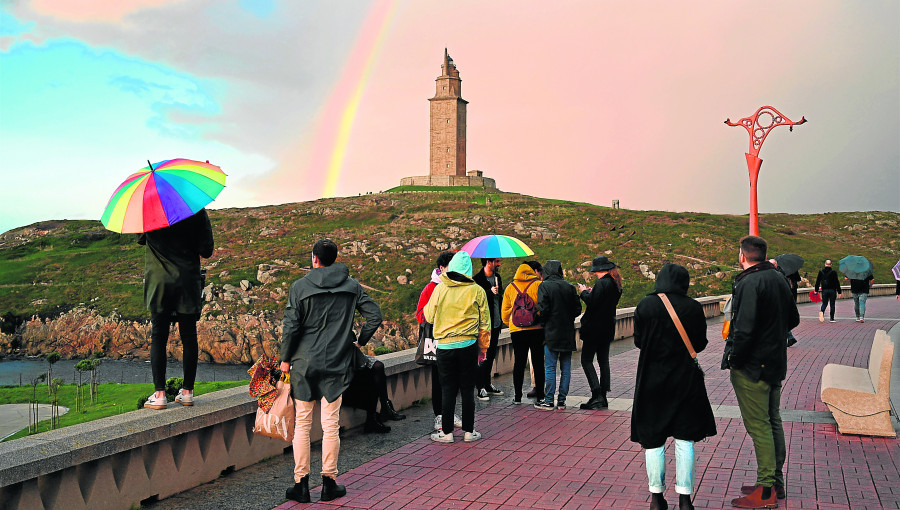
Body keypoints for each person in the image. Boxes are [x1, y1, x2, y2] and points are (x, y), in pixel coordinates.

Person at [279, 239, 383, 503]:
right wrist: (360, 341)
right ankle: (329, 482)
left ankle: (301, 485)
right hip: (337, 362)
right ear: (334, 259)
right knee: (330, 423)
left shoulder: (299, 287)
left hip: (304, 363)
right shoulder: (351, 286)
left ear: (314, 258)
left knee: (302, 423)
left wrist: (284, 359)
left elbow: (291, 327)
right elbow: (375, 315)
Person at [632, 263, 716, 510]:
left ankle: (656, 498)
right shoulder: (693, 307)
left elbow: (639, 341)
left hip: (651, 379)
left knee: (654, 440)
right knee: (684, 439)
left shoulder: (645, 305)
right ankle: (685, 498)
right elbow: (699, 344)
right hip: (685, 380)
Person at [722, 236, 799, 508]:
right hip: (776, 362)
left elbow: (744, 329)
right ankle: (776, 483)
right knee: (772, 420)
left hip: (753, 366)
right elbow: (794, 319)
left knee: (759, 426)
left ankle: (766, 491)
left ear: (742, 255)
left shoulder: (748, 282)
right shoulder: (778, 277)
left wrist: (735, 360)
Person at [140, 209, 213, 410]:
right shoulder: (196, 210)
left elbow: (141, 238)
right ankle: (187, 392)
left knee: (159, 336)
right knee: (189, 335)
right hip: (187, 279)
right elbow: (206, 250)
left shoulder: (150, 209)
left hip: (160, 281)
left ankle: (160, 394)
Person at [424, 250, 491, 443]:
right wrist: (483, 349)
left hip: (444, 346)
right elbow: (485, 324)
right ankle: (469, 432)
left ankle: (446, 433)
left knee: (448, 389)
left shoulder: (440, 289)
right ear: (469, 269)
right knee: (468, 389)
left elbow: (428, 316)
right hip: (468, 345)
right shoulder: (477, 290)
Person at [415, 251, 462, 432]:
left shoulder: (458, 286)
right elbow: (420, 315)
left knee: (452, 378)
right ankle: (439, 415)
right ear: (442, 268)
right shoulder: (431, 288)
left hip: (453, 339)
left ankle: (449, 413)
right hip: (437, 340)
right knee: (438, 378)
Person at [576, 256, 622, 410]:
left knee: (586, 360)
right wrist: (592, 292)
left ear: (600, 270)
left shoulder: (602, 283)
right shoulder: (614, 283)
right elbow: (602, 300)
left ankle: (596, 395)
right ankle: (603, 395)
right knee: (603, 361)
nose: (594, 273)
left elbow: (592, 303)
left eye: (595, 271)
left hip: (594, 329)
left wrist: (583, 292)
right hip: (607, 328)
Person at [534, 260, 581, 410]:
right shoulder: (569, 287)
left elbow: (543, 308)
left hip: (551, 332)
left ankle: (548, 400)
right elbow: (577, 309)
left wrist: (542, 320)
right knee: (566, 368)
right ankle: (562, 401)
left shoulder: (544, 286)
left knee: (550, 367)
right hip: (567, 332)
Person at [500, 260, 544, 404]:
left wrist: (513, 324)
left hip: (517, 330)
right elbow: (544, 306)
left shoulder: (510, 287)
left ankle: (518, 397)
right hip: (536, 329)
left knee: (519, 362)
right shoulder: (538, 285)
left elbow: (505, 313)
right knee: (538, 362)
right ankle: (540, 396)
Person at [342, 354, 405, 434]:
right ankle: (375, 417)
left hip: (350, 352)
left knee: (377, 366)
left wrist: (359, 343)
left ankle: (384, 407)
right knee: (371, 372)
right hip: (339, 357)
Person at [473, 257, 504, 401]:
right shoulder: (477, 280)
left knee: (491, 355)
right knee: (482, 357)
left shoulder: (497, 277)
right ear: (488, 262)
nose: (499, 264)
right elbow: (475, 300)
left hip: (496, 323)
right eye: (496, 261)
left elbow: (500, 298)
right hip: (484, 326)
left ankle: (487, 384)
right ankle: (480, 387)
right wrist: (489, 291)